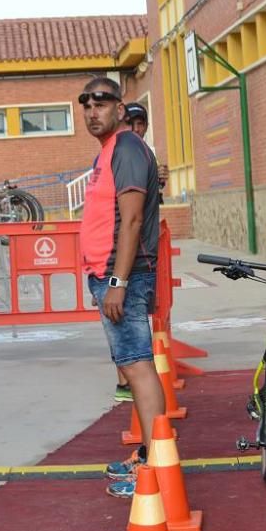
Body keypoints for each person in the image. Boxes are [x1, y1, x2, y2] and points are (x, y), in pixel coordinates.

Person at [78, 77, 165, 499]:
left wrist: (117, 281)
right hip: (109, 275)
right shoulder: (109, 151)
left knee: (138, 366)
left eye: (101, 103)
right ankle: (150, 454)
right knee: (132, 366)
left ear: (119, 108)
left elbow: (130, 222)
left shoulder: (128, 150)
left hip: (122, 277)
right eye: (86, 105)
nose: (93, 110)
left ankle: (156, 467)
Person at [109, 102, 169, 403]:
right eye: (131, 121)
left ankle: (154, 440)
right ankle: (126, 382)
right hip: (127, 259)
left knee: (137, 358)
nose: (135, 127)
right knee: (131, 349)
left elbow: (131, 220)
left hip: (135, 261)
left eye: (140, 122)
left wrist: (116, 281)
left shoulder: (135, 152)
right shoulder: (124, 152)